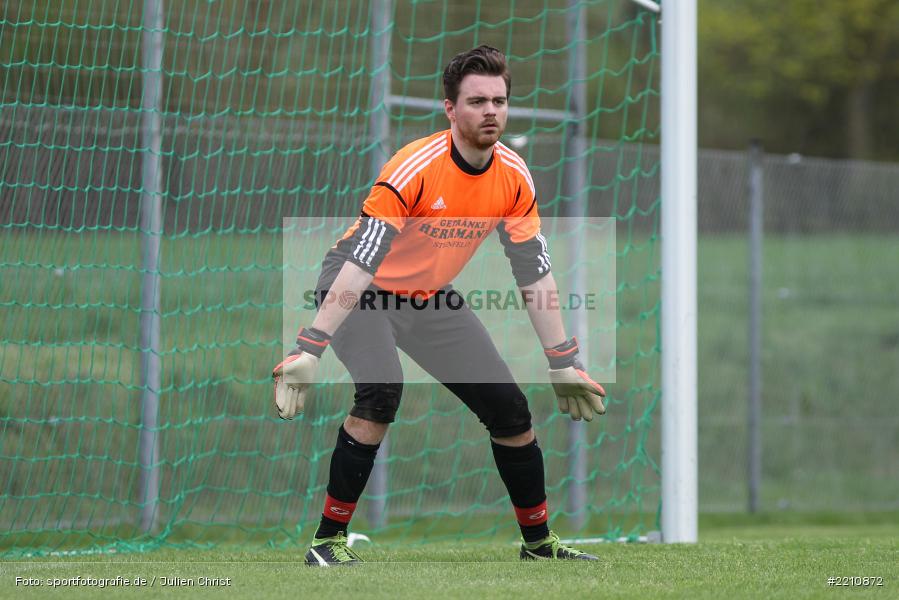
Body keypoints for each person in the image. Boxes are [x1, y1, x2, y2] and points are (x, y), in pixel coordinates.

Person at [272, 45, 606, 566]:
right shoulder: (414, 167)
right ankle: (326, 541)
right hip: (360, 288)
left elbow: (533, 270)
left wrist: (562, 361)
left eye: (499, 101)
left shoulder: (514, 175)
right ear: (451, 109)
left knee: (510, 409)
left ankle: (539, 545)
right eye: (477, 101)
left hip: (428, 297)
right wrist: (310, 347)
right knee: (381, 390)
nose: (490, 111)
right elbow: (362, 260)